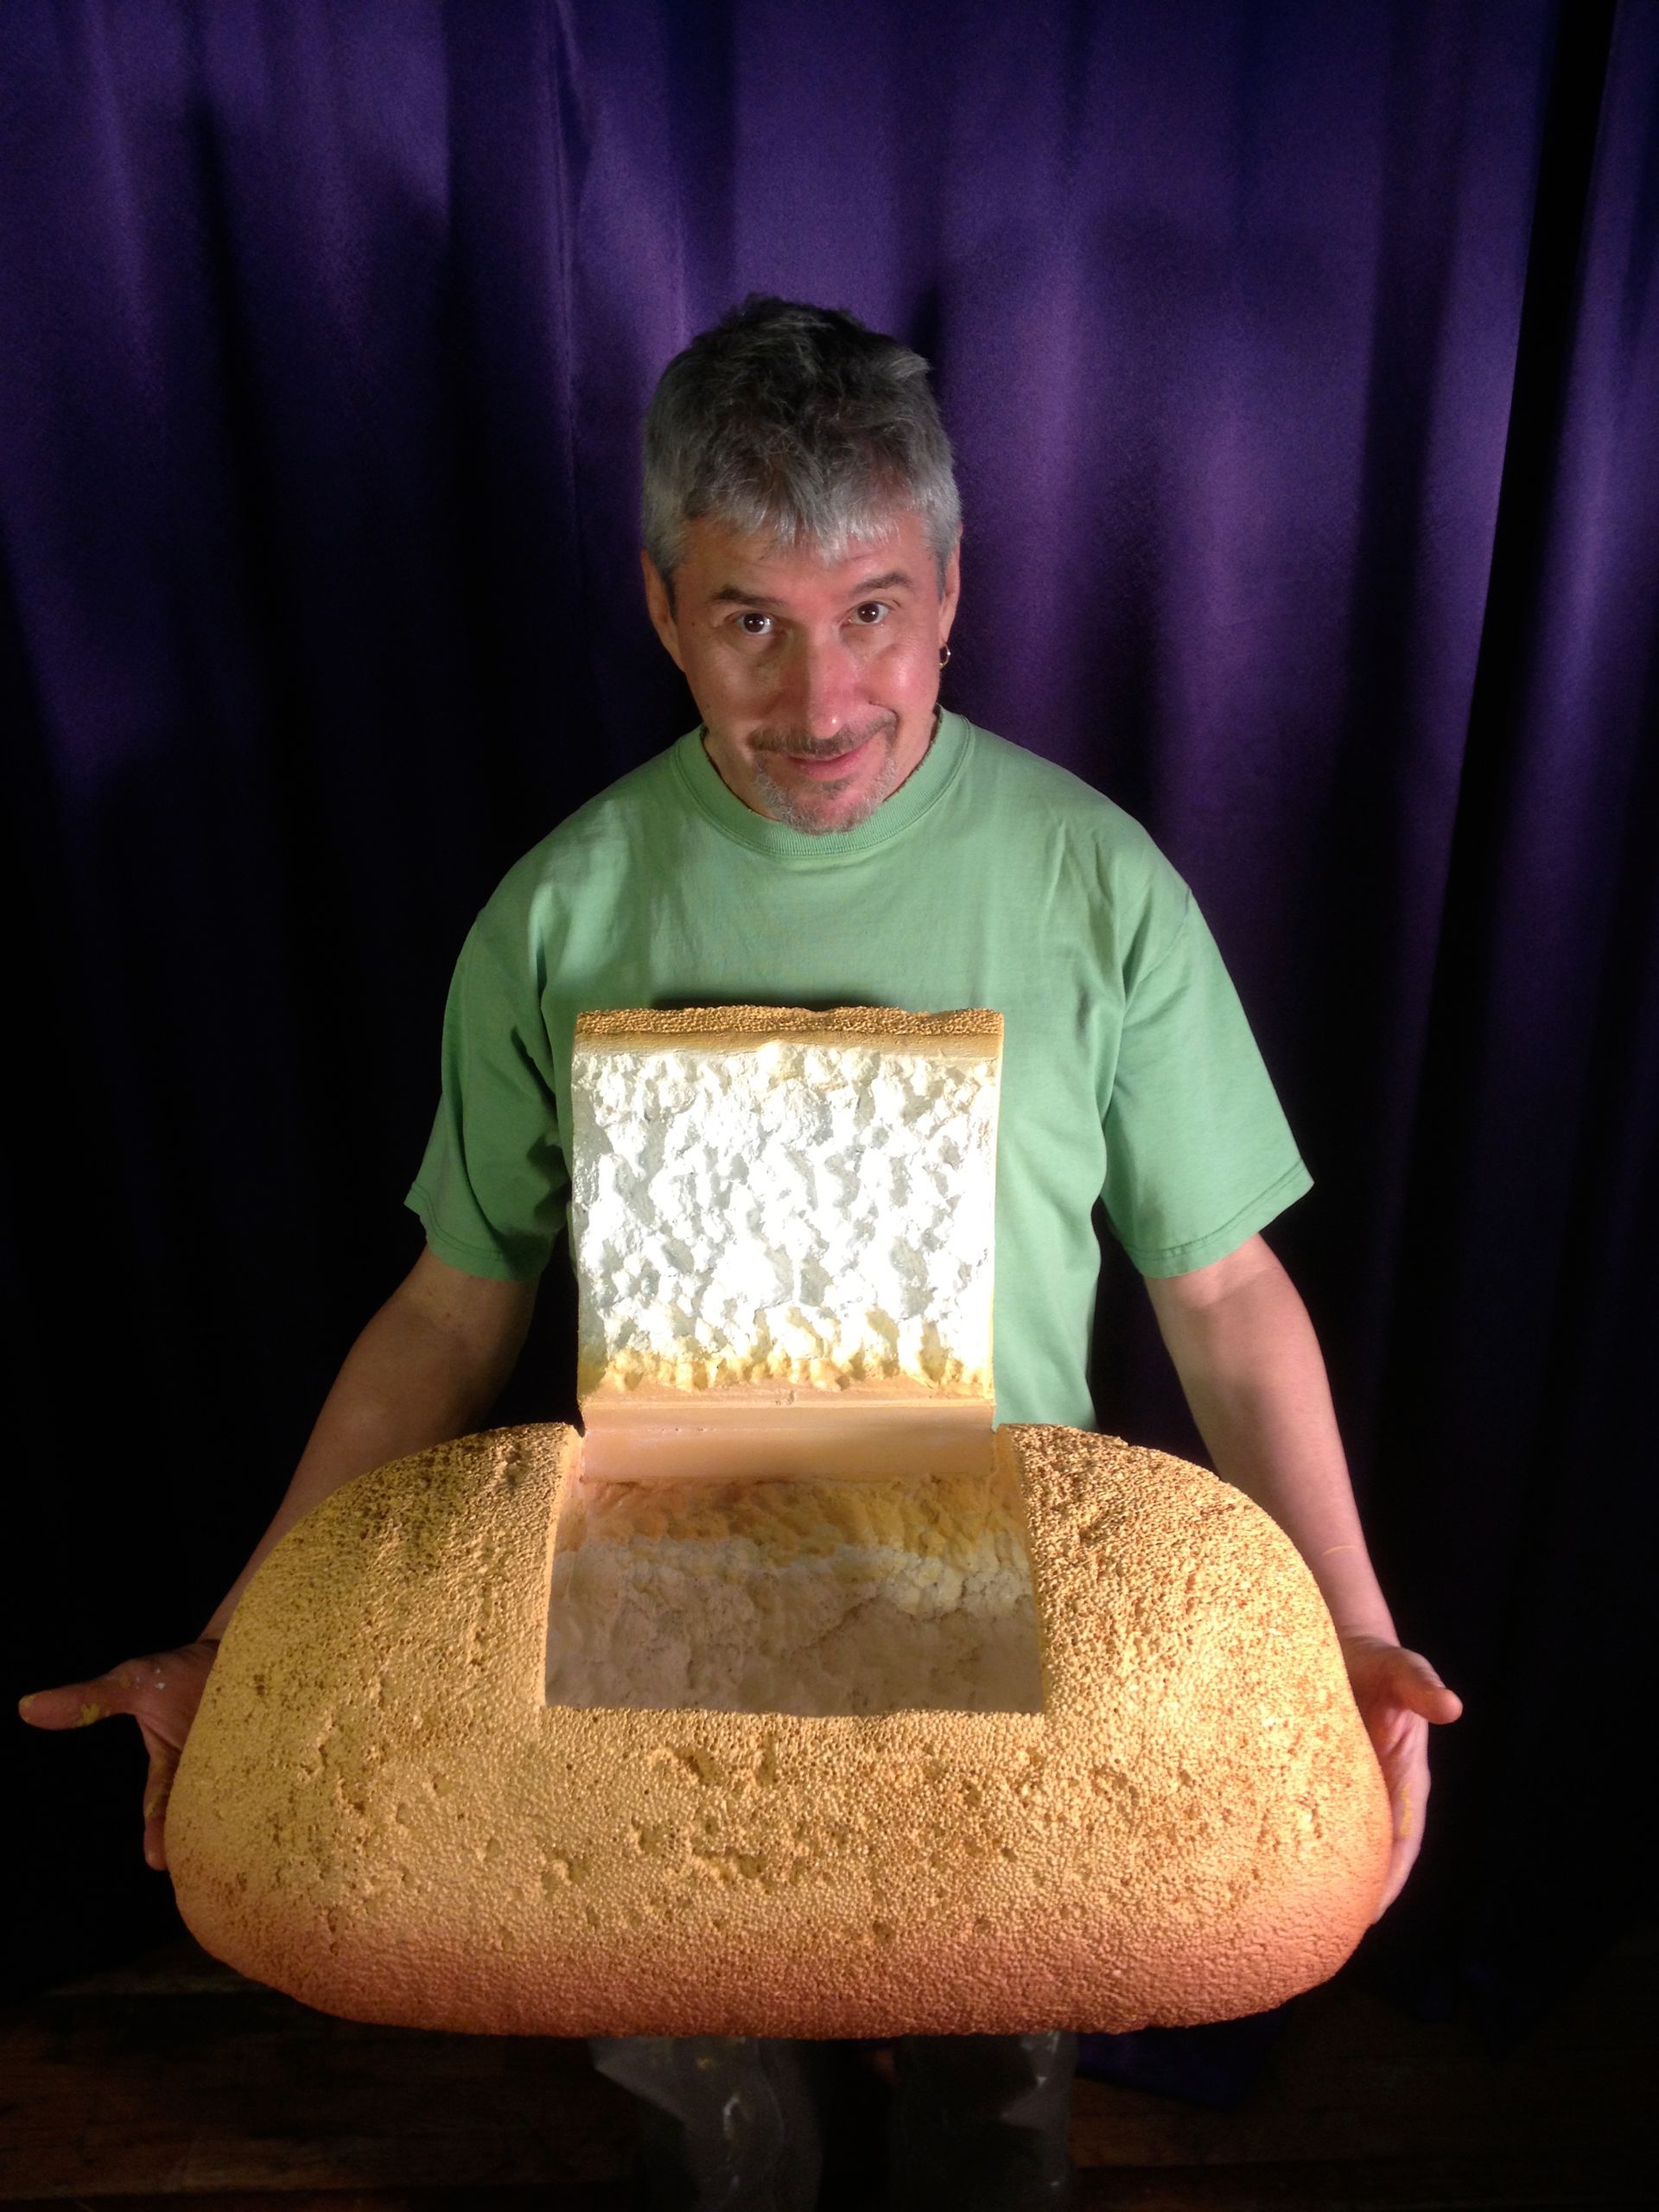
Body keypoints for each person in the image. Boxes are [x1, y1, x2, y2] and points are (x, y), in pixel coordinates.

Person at [22, 296, 1462, 2211]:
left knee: (992, 2137)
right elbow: (450, 1314)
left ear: (951, 587)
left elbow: (1225, 1298)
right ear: (658, 603)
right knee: (717, 2149)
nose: (823, 699)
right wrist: (238, 1639)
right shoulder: (562, 909)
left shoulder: (1094, 883)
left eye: (872, 607)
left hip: (998, 1634)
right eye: (751, 621)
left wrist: (1351, 1636)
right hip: (657, 1638)